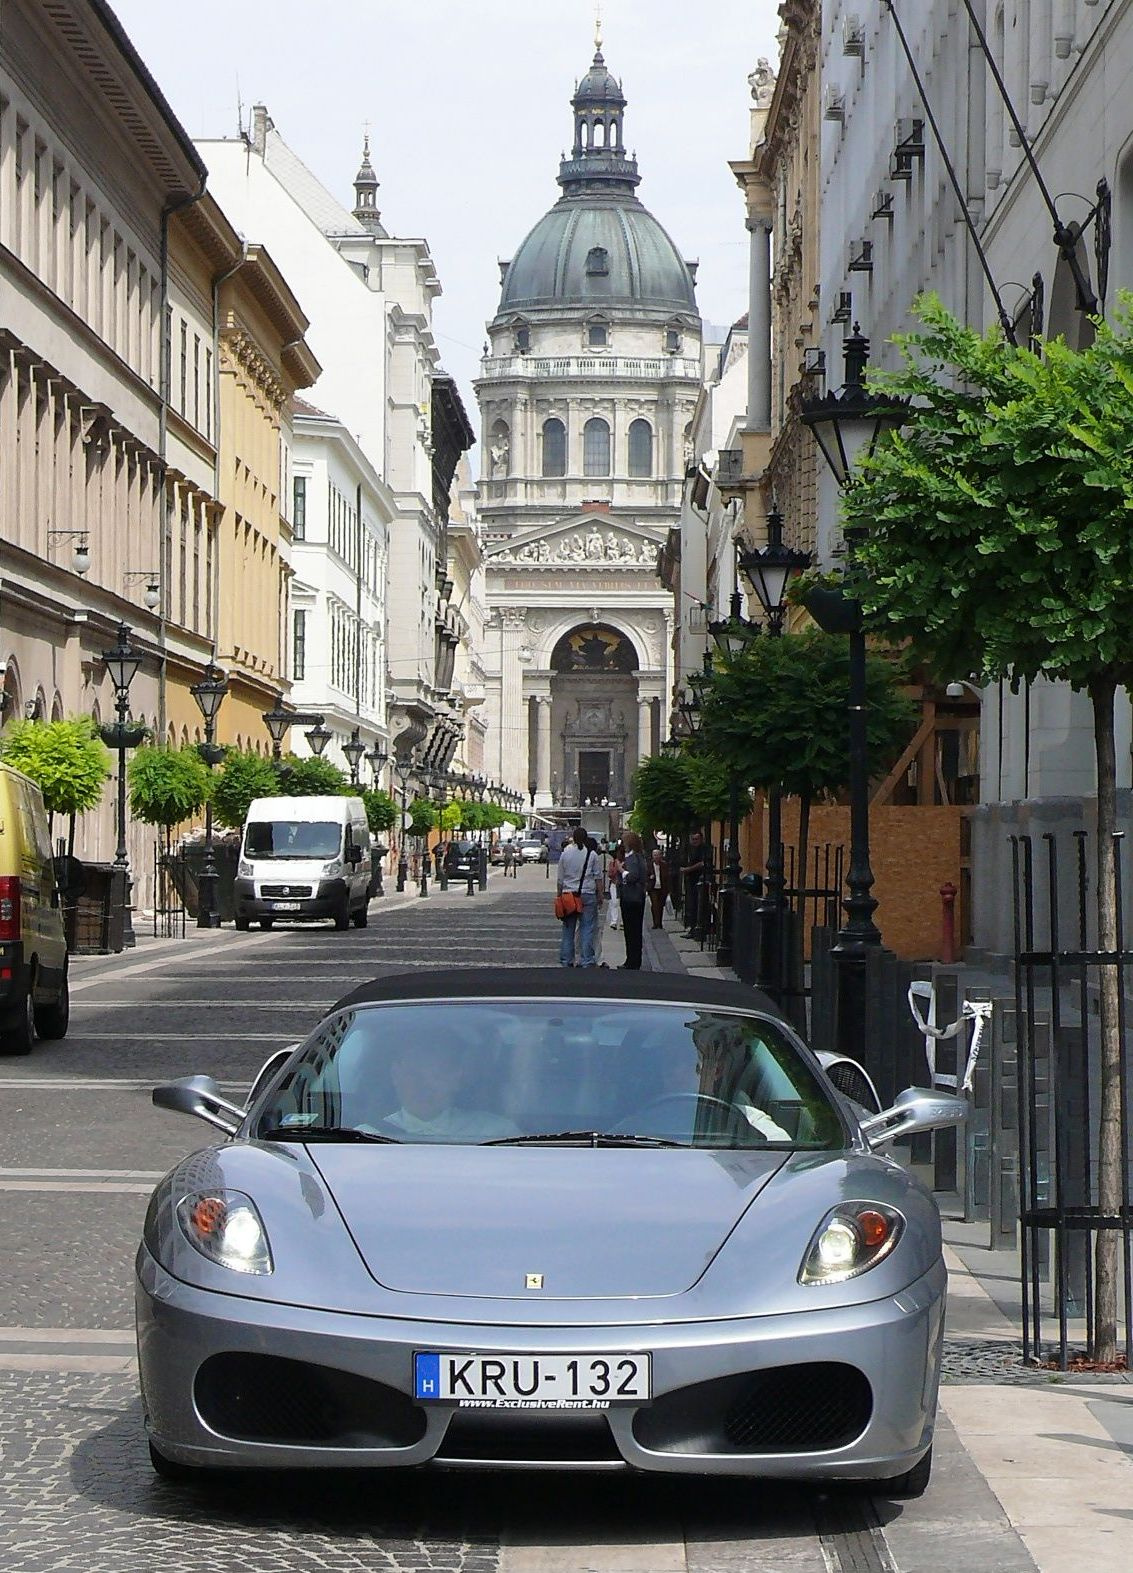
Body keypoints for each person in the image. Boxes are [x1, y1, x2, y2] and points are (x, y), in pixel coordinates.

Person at [377, 1039, 520, 1142]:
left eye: (435, 1076)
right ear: (395, 1076)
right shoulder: (366, 1136)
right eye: (413, 1075)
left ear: (456, 1078)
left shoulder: (497, 1134)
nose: (423, 1086)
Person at [556, 825, 602, 967]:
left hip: (568, 895)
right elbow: (598, 878)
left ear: (573, 839)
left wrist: (559, 896)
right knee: (587, 928)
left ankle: (566, 959)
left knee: (568, 929)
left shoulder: (565, 854)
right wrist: (600, 895)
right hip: (587, 894)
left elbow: (560, 879)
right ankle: (586, 959)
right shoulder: (592, 855)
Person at [618, 830, 648, 969]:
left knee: (631, 931)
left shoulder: (633, 858)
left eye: (624, 841)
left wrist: (621, 871)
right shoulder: (639, 857)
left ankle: (632, 960)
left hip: (631, 897)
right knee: (634, 930)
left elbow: (633, 876)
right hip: (636, 897)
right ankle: (633, 959)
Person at [680, 830, 707, 938]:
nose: (694, 841)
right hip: (691, 880)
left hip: (699, 879)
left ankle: (698, 929)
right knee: (691, 904)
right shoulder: (690, 849)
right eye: (693, 839)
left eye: (696, 839)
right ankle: (692, 927)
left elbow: (702, 863)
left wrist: (688, 869)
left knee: (697, 903)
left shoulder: (703, 849)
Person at [648, 844, 670, 930]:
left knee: (660, 905)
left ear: (661, 856)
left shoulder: (664, 865)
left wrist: (668, 889)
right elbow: (646, 876)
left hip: (662, 887)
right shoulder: (649, 865)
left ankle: (660, 922)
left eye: (658, 855)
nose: (656, 857)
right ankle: (655, 923)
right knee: (654, 905)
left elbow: (668, 877)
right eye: (654, 855)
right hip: (653, 888)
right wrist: (650, 877)